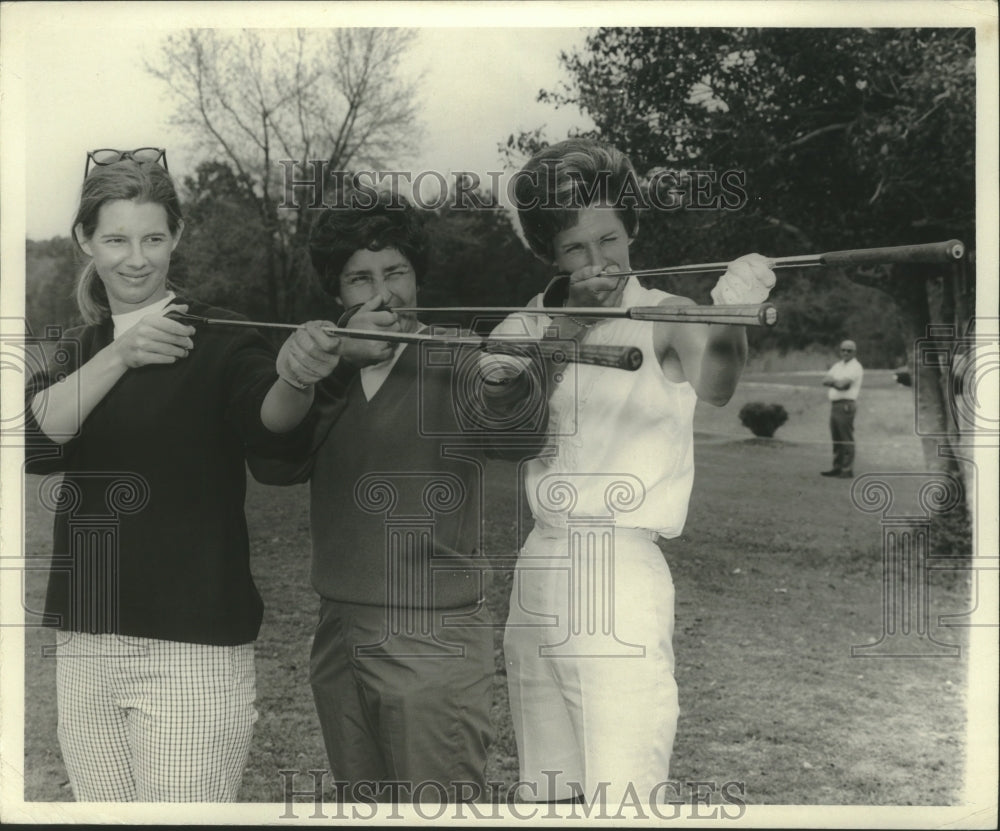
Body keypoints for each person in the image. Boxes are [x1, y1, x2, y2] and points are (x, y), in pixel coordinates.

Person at [24, 151, 330, 801]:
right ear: (86, 240)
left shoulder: (222, 338)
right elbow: (33, 439)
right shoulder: (81, 349)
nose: (136, 258)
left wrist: (296, 377)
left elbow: (272, 425)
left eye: (153, 238)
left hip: (192, 649)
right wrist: (121, 353)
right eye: (116, 239)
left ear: (177, 237)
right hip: (85, 640)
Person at [488, 138, 776, 804]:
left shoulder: (668, 315)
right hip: (539, 565)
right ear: (548, 255)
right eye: (575, 249)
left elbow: (718, 383)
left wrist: (731, 319)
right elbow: (499, 426)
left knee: (625, 793)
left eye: (609, 239)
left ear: (633, 229)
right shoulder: (523, 325)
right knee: (548, 789)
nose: (598, 262)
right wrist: (569, 325)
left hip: (619, 570)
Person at [248, 192, 548, 803]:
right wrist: (330, 364)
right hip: (338, 632)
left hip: (434, 640)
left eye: (396, 273)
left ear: (418, 277)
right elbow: (277, 463)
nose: (382, 292)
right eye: (361, 278)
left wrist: (510, 383)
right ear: (339, 292)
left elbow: (516, 439)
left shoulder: (457, 354)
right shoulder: (321, 362)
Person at [821, 339, 863, 478]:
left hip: (846, 404)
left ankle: (847, 469)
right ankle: (837, 466)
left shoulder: (855, 367)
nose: (845, 353)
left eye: (849, 350)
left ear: (854, 352)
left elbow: (843, 385)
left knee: (845, 437)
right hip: (835, 404)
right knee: (836, 437)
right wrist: (835, 382)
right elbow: (824, 380)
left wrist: (833, 382)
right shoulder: (838, 365)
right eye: (843, 350)